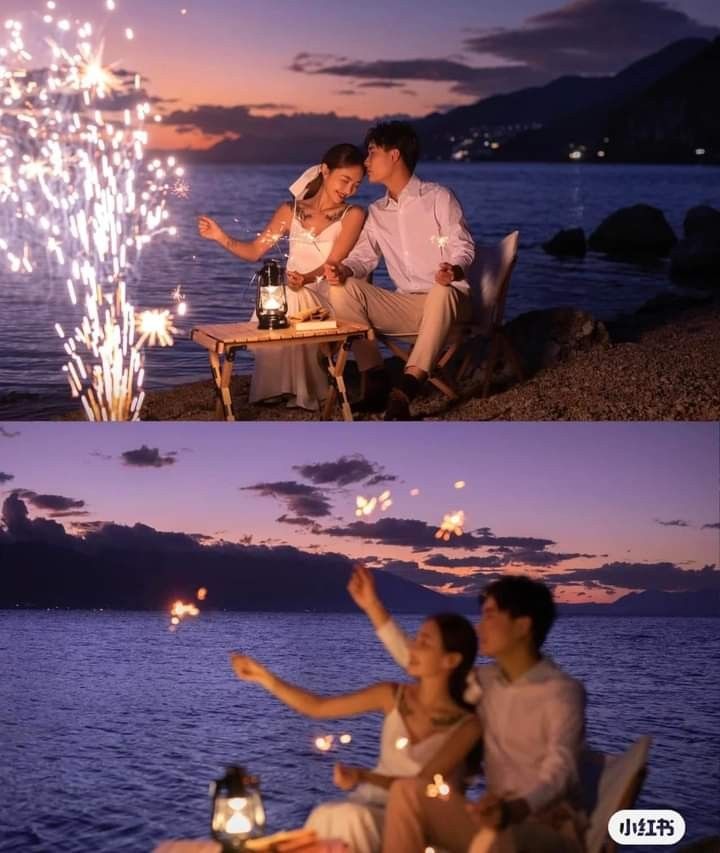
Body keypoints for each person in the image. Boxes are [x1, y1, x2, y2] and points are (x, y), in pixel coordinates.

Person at [347, 565, 588, 853]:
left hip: (547, 827)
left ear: (523, 626)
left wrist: (514, 809)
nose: (479, 626)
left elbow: (561, 770)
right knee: (407, 792)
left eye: (490, 615)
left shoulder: (561, 691)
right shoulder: (484, 684)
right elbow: (427, 663)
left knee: (490, 840)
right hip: (495, 819)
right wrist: (373, 606)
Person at [230, 612, 482, 853]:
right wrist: (265, 678)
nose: (413, 647)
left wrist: (363, 776)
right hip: (372, 803)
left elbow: (420, 786)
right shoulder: (392, 695)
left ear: (451, 660)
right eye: (416, 639)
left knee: (351, 819)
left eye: (425, 642)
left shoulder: (466, 726)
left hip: (418, 820)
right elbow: (319, 707)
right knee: (326, 814)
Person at [324, 121, 476, 420]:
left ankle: (406, 388)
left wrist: (454, 270)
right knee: (342, 288)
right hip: (407, 305)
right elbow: (363, 259)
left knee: (441, 292)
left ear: (394, 155)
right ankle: (376, 381)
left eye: (371, 153)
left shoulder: (438, 197)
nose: (365, 162)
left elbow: (464, 246)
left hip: (450, 302)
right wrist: (343, 270)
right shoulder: (377, 212)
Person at [198, 144, 366, 411]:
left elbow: (332, 263)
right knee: (280, 293)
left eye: (356, 185)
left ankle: (299, 390)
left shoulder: (353, 214)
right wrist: (221, 237)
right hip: (294, 291)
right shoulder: (290, 211)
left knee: (290, 294)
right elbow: (255, 251)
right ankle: (279, 387)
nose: (349, 190)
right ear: (325, 170)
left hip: (329, 297)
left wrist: (305, 279)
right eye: (345, 180)